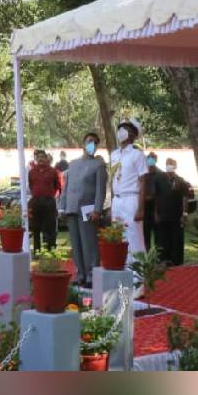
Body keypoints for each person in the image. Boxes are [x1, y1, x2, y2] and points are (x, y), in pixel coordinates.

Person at [63, 132, 109, 288]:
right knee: (76, 243)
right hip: (71, 208)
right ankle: (80, 273)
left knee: (89, 242)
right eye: (89, 141)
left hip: (88, 209)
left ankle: (91, 274)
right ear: (83, 143)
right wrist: (62, 206)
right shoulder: (73, 164)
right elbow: (66, 187)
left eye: (95, 142)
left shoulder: (99, 165)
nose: (92, 144)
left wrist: (97, 209)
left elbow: (100, 190)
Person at [108, 120, 148, 266]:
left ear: (132, 134)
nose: (121, 132)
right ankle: (121, 266)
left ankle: (138, 272)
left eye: (124, 129)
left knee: (133, 235)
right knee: (117, 236)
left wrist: (141, 208)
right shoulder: (114, 155)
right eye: (119, 129)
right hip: (117, 200)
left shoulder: (137, 155)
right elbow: (112, 180)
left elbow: (143, 181)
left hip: (131, 198)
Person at [152, 157, 192, 266]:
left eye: (171, 164)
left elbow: (185, 198)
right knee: (162, 239)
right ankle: (163, 259)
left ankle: (177, 261)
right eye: (168, 163)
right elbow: (156, 196)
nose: (169, 165)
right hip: (162, 215)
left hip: (176, 216)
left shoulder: (181, 181)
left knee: (177, 239)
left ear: (175, 166)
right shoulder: (159, 179)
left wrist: (184, 214)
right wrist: (155, 213)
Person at [27, 149, 63, 253]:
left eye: (42, 157)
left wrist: (51, 195)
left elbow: (58, 186)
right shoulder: (32, 172)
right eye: (38, 157)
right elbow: (31, 185)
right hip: (36, 202)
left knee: (50, 226)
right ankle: (37, 249)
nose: (40, 159)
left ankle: (50, 249)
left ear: (46, 158)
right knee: (35, 227)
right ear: (36, 159)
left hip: (49, 201)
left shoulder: (53, 171)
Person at [139, 151, 161, 252]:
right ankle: (146, 255)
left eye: (153, 158)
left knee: (157, 234)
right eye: (149, 158)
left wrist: (157, 212)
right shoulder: (143, 173)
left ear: (156, 160)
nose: (151, 160)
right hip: (144, 205)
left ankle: (157, 256)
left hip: (155, 205)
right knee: (145, 233)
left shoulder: (160, 174)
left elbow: (159, 194)